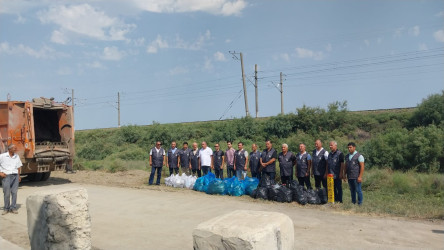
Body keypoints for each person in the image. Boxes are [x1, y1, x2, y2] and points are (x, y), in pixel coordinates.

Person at [0, 144, 22, 215]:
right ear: (9, 149)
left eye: (15, 148)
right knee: (6, 193)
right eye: (14, 148)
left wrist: (19, 176)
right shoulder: (2, 156)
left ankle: (13, 207)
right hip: (6, 176)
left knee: (14, 193)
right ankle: (6, 208)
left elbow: (18, 166)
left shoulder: (16, 156)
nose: (15, 149)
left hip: (15, 176)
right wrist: (0, 173)